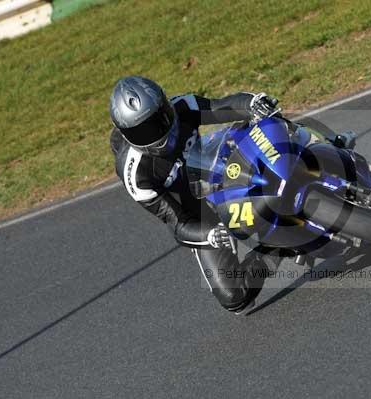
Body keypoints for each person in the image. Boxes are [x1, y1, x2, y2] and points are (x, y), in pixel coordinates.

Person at [109, 76, 280, 314]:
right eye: (143, 132)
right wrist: (209, 235)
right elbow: (176, 222)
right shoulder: (135, 174)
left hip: (222, 171)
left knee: (264, 120)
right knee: (235, 298)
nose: (157, 132)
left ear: (165, 104)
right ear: (126, 134)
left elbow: (222, 107)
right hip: (197, 212)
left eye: (159, 119)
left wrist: (252, 103)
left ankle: (319, 153)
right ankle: (277, 247)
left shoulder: (183, 107)